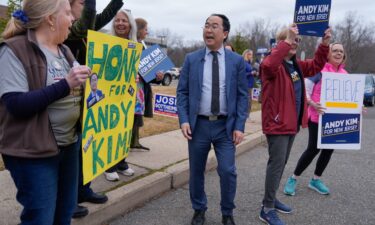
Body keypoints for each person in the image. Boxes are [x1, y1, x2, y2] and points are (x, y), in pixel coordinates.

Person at [0, 0, 90, 224]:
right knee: (40, 218)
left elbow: (76, 90)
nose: (73, 19)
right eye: (68, 13)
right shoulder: (13, 50)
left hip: (69, 146)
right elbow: (16, 105)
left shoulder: (65, 50)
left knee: (64, 213)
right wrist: (65, 84)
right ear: (50, 18)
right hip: (33, 152)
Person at [177, 14, 248, 225]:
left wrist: (240, 126)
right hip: (198, 125)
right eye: (206, 25)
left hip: (225, 127)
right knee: (196, 171)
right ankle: (199, 209)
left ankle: (227, 212)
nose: (208, 30)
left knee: (228, 171)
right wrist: (183, 120)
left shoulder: (236, 61)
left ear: (224, 33)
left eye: (214, 26)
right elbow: (182, 93)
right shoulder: (192, 59)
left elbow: (243, 95)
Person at [259, 24, 331, 225]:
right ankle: (266, 209)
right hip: (277, 123)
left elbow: (316, 65)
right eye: (291, 39)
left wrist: (324, 44)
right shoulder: (272, 64)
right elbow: (268, 66)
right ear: (282, 42)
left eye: (297, 41)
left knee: (281, 164)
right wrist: (287, 39)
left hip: (291, 124)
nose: (295, 43)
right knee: (276, 165)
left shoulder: (295, 65)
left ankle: (270, 199)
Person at [65, 0, 124, 218]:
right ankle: (68, 199)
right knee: (71, 152)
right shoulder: (69, 29)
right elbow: (89, 19)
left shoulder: (86, 26)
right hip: (69, 98)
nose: (89, 7)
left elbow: (104, 15)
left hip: (87, 99)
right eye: (82, 2)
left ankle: (83, 189)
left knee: (85, 147)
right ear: (68, 6)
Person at [283, 43, 347, 196]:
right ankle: (293, 178)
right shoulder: (318, 71)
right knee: (313, 149)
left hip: (335, 119)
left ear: (344, 56)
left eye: (341, 51)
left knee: (328, 150)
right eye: (335, 51)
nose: (338, 53)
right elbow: (304, 91)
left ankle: (316, 180)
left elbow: (348, 99)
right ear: (328, 54)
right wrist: (312, 104)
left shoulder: (346, 75)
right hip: (317, 118)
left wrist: (357, 108)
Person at [103, 9, 137, 182]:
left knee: (124, 129)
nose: (121, 23)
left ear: (130, 24)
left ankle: (121, 162)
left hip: (126, 96)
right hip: (108, 95)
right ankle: (108, 166)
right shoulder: (106, 42)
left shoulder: (135, 45)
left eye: (124, 20)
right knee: (110, 129)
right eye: (117, 20)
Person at [130, 17, 163, 151]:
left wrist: (158, 77)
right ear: (138, 30)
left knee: (137, 116)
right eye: (146, 29)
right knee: (131, 117)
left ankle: (135, 142)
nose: (147, 32)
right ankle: (128, 143)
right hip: (132, 87)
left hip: (142, 88)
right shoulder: (131, 44)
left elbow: (147, 71)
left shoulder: (143, 44)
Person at [242, 49, 256, 116]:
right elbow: (242, 74)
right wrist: (250, 73)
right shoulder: (243, 63)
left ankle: (247, 115)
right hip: (246, 84)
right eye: (250, 54)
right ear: (247, 55)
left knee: (249, 100)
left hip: (250, 84)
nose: (251, 56)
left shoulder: (249, 63)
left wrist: (255, 73)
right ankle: (246, 115)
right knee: (248, 100)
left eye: (252, 54)